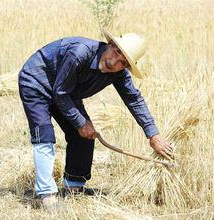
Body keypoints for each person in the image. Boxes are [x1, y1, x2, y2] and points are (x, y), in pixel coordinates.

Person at [18, 30, 173, 208]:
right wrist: (81, 122)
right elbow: (60, 93)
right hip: (37, 82)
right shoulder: (80, 53)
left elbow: (134, 99)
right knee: (44, 134)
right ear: (111, 45)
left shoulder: (118, 73)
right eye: (116, 53)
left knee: (84, 135)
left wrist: (153, 135)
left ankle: (73, 187)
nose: (114, 62)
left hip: (66, 91)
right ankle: (46, 194)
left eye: (122, 62)